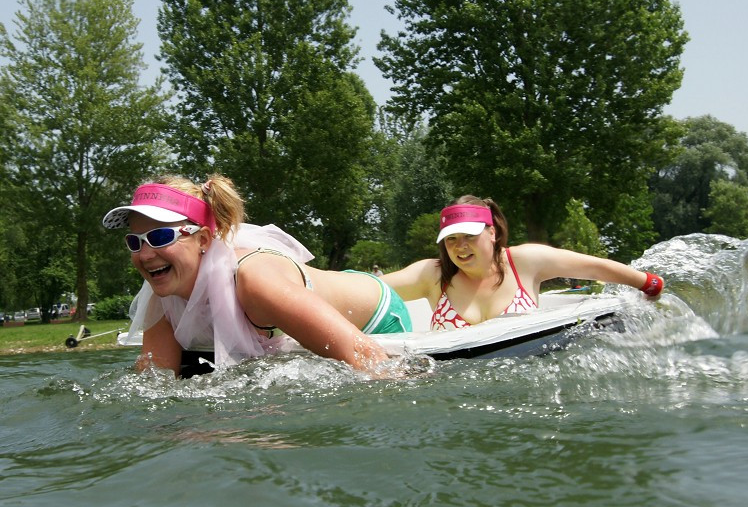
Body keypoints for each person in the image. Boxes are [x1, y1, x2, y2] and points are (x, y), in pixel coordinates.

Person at [103, 174, 411, 375]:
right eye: (135, 242)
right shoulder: (162, 293)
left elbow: (367, 357)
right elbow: (153, 384)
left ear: (203, 240)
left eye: (160, 238)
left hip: (376, 313)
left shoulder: (254, 281)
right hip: (318, 296)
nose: (144, 255)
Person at [382, 196, 664, 330]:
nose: (460, 246)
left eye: (469, 235)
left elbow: (594, 267)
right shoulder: (432, 275)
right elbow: (369, 290)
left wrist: (648, 284)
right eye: (451, 238)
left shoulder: (524, 261)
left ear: (492, 233)